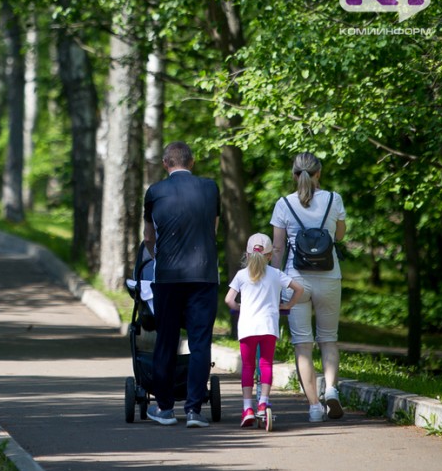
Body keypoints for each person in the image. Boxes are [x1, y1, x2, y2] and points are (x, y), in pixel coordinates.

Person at [143, 141, 220, 428]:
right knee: (200, 341)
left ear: (166, 163)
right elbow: (212, 230)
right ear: (193, 161)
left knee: (167, 339)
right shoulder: (211, 188)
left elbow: (149, 238)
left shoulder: (154, 192)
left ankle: (164, 408)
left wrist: (158, 258)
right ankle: (194, 410)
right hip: (203, 274)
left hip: (168, 277)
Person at [270, 152, 347, 422]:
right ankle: (332, 390)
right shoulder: (333, 199)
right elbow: (338, 236)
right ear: (319, 173)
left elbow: (277, 248)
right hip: (329, 276)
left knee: (303, 346)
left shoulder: (283, 204)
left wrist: (275, 283)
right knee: (329, 339)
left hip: (296, 280)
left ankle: (314, 406)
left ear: (294, 175)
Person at [225, 233, 304, 428]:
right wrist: (287, 305)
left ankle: (247, 408)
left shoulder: (241, 275)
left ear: (247, 254)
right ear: (269, 255)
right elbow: (299, 289)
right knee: (266, 364)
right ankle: (263, 403)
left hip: (247, 327)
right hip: (269, 326)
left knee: (248, 366)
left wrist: (239, 307)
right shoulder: (276, 274)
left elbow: (228, 300)